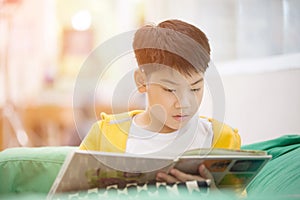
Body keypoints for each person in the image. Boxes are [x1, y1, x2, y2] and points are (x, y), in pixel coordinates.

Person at [79, 19, 241, 189]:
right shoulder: (105, 135)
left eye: (195, 89)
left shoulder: (222, 138)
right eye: (170, 90)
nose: (184, 104)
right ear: (142, 81)